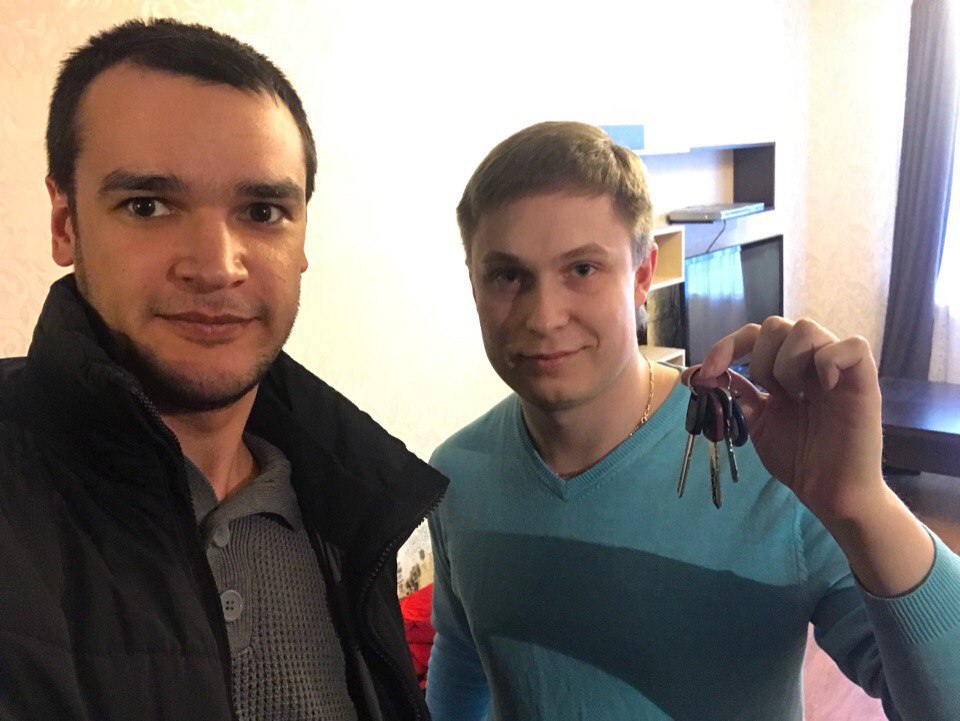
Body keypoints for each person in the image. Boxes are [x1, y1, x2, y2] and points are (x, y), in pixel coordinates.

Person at [426, 121, 960, 720]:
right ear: (473, 283)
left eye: (582, 269)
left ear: (642, 276)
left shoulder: (771, 466)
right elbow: (463, 658)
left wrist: (864, 504)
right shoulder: (454, 476)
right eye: (508, 276)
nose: (544, 317)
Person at [0, 19, 446, 721]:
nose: (215, 266)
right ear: (65, 223)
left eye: (263, 211)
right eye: (148, 206)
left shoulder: (345, 503)